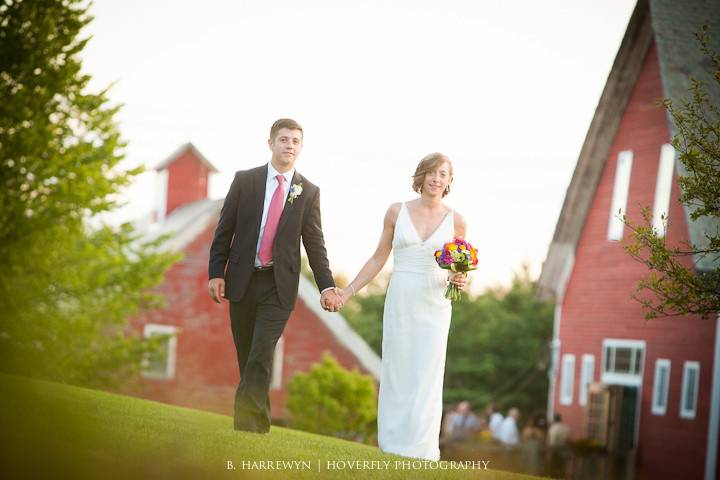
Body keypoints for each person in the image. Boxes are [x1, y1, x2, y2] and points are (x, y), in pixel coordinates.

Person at [207, 118, 343, 433]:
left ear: (301, 147)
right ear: (271, 143)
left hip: (278, 285)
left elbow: (315, 243)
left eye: (295, 141)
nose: (289, 146)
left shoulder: (308, 191)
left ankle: (244, 425)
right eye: (284, 139)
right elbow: (224, 230)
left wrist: (327, 287)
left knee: (261, 351)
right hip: (242, 280)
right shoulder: (246, 181)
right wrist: (217, 272)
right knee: (248, 355)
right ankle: (261, 423)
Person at [337, 152, 467, 461]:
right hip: (402, 297)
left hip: (435, 303)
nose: (437, 179)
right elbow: (378, 257)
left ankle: (422, 449)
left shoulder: (457, 220)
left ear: (449, 181)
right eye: (432, 173)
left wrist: (459, 279)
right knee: (397, 369)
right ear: (421, 175)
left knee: (427, 373)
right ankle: (392, 443)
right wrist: (349, 290)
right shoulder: (396, 212)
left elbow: (458, 268)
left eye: (443, 174)